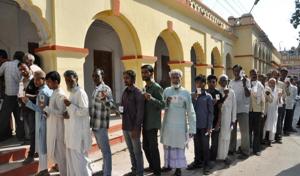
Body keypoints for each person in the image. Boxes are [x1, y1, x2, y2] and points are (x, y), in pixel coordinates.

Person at [160, 69, 196, 176]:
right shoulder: (166, 91)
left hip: (180, 125)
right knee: (168, 146)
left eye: (177, 77)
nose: (175, 79)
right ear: (170, 78)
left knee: (179, 146)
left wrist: (192, 128)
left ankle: (178, 169)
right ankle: (168, 165)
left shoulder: (185, 92)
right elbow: (162, 106)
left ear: (181, 78)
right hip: (168, 124)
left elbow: (190, 111)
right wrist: (166, 102)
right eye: (173, 77)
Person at [21, 70, 52, 176]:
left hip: (42, 122)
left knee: (42, 146)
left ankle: (44, 170)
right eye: (34, 79)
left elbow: (40, 109)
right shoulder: (45, 90)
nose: (35, 81)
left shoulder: (42, 92)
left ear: (43, 79)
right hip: (44, 121)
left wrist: (27, 102)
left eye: (37, 79)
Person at [63, 70, 92, 176]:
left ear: (76, 79)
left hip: (79, 135)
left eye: (70, 80)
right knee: (73, 162)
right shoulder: (72, 93)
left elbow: (84, 111)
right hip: (71, 134)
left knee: (81, 162)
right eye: (66, 81)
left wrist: (70, 106)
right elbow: (73, 111)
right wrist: (66, 112)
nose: (68, 83)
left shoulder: (81, 93)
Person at [90, 68, 114, 176]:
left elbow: (112, 106)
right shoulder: (96, 89)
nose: (95, 78)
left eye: (97, 76)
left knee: (106, 151)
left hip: (101, 125)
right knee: (103, 150)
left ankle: (107, 173)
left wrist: (105, 100)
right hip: (95, 125)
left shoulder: (105, 89)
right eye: (94, 76)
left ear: (102, 76)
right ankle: (105, 169)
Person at [141, 65, 164, 176]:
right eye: (142, 72)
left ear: (151, 73)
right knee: (145, 147)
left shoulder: (156, 87)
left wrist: (151, 98)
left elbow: (163, 104)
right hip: (145, 123)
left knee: (153, 148)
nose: (144, 74)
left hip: (153, 123)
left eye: (146, 72)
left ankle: (157, 171)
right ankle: (152, 166)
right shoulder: (145, 87)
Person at [187, 75, 213, 175]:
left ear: (204, 84)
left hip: (205, 126)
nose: (198, 84)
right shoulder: (192, 95)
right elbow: (190, 109)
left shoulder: (208, 96)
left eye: (200, 82)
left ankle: (206, 165)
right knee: (196, 145)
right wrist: (194, 99)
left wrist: (209, 126)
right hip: (195, 125)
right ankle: (197, 162)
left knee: (205, 146)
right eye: (197, 82)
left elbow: (211, 113)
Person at [121, 70, 144, 176]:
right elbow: (121, 109)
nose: (125, 80)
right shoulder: (124, 92)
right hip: (125, 126)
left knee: (137, 152)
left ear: (133, 79)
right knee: (131, 150)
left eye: (127, 78)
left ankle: (140, 172)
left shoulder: (138, 93)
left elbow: (140, 113)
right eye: (124, 78)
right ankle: (134, 169)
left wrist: (136, 128)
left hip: (134, 128)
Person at [43, 71, 67, 176]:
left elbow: (62, 113)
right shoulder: (54, 92)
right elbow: (54, 111)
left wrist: (47, 109)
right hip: (53, 128)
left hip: (59, 130)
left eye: (49, 82)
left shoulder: (60, 94)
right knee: (58, 156)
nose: (47, 84)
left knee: (61, 156)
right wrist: (47, 112)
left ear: (56, 82)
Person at [0, 51, 25, 141]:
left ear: (14, 56)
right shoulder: (23, 67)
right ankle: (21, 136)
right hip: (19, 96)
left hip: (8, 95)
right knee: (19, 117)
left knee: (4, 117)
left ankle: (1, 136)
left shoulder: (6, 64)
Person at [228, 64, 251, 159]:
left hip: (243, 110)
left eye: (238, 71)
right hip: (233, 110)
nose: (236, 72)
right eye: (235, 71)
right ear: (233, 71)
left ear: (241, 71)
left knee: (244, 132)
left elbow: (248, 94)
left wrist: (245, 84)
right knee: (232, 131)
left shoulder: (246, 81)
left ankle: (245, 151)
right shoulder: (231, 82)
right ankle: (231, 149)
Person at [18, 63, 38, 164]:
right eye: (20, 70)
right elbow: (21, 95)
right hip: (25, 109)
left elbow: (38, 94)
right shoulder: (21, 81)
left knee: (33, 132)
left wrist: (28, 97)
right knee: (32, 132)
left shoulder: (35, 79)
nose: (22, 71)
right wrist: (22, 108)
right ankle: (36, 151)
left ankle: (31, 155)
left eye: (24, 69)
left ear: (28, 68)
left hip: (34, 109)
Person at [217, 74, 236, 165]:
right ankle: (218, 156)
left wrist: (233, 120)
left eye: (225, 80)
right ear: (219, 82)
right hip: (219, 118)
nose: (224, 82)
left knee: (226, 137)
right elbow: (217, 104)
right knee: (219, 137)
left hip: (228, 118)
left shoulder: (232, 92)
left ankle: (224, 156)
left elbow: (234, 107)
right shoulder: (217, 92)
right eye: (222, 80)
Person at [206, 75, 222, 163]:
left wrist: (218, 123)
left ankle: (212, 159)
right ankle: (205, 158)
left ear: (216, 83)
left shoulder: (218, 94)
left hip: (215, 121)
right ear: (207, 83)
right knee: (205, 142)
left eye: (214, 82)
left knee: (214, 142)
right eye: (210, 82)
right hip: (205, 122)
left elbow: (220, 109)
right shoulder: (202, 92)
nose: (212, 84)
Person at [248, 69, 265, 156]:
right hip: (248, 111)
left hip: (257, 111)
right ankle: (248, 147)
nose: (254, 75)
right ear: (250, 75)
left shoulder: (260, 85)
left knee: (257, 131)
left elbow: (263, 100)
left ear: (257, 75)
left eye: (255, 74)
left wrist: (262, 111)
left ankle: (256, 149)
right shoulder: (247, 83)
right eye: (252, 74)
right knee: (248, 131)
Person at [271, 69, 286, 144]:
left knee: (279, 121)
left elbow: (285, 95)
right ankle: (269, 137)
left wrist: (280, 97)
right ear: (271, 75)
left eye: (277, 75)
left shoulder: (282, 84)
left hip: (279, 105)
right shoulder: (268, 83)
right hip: (270, 106)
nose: (275, 76)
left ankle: (278, 136)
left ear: (278, 76)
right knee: (270, 121)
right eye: (274, 74)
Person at [263, 78, 278, 146]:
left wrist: (280, 98)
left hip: (274, 110)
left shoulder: (278, 90)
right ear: (268, 83)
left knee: (272, 125)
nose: (272, 84)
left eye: (273, 82)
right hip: (266, 109)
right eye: (270, 82)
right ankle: (264, 139)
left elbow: (280, 102)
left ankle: (270, 140)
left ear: (275, 83)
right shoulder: (266, 89)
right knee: (265, 125)